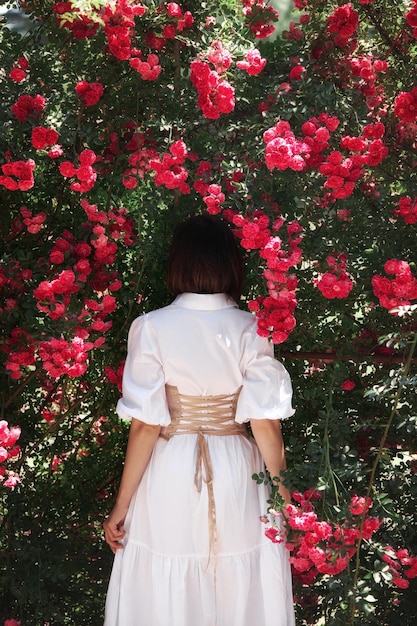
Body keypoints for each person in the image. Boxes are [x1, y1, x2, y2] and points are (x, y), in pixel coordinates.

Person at [103, 214, 296, 626]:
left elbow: (146, 425)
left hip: (172, 463)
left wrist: (121, 506)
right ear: (231, 263)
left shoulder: (152, 327)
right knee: (236, 573)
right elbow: (264, 422)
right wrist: (284, 498)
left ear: (178, 263)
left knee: (167, 568)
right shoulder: (251, 328)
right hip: (238, 468)